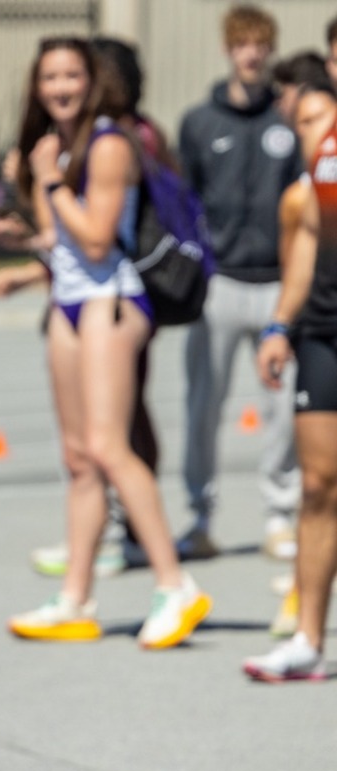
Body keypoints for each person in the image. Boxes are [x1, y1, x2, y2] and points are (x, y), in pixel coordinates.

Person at [6, 37, 210, 648]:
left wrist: (50, 182)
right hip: (67, 303)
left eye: (72, 75)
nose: (61, 87)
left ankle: (175, 586)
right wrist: (24, 237)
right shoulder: (56, 147)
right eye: (50, 78)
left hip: (110, 301)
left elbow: (96, 240)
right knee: (78, 458)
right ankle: (75, 597)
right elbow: (59, 237)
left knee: (110, 447)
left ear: (91, 81)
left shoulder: (110, 143)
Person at [177, 5, 302, 565]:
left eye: (261, 45)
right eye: (242, 44)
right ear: (229, 49)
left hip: (278, 283)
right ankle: (200, 515)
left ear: (270, 51)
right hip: (219, 284)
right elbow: (186, 203)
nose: (252, 54)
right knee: (204, 404)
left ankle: (280, 515)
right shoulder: (200, 122)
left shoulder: (287, 121)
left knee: (282, 408)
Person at [246, 64, 337, 681]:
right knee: (317, 485)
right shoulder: (322, 158)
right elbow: (306, 240)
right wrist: (280, 324)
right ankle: (307, 637)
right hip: (326, 330)